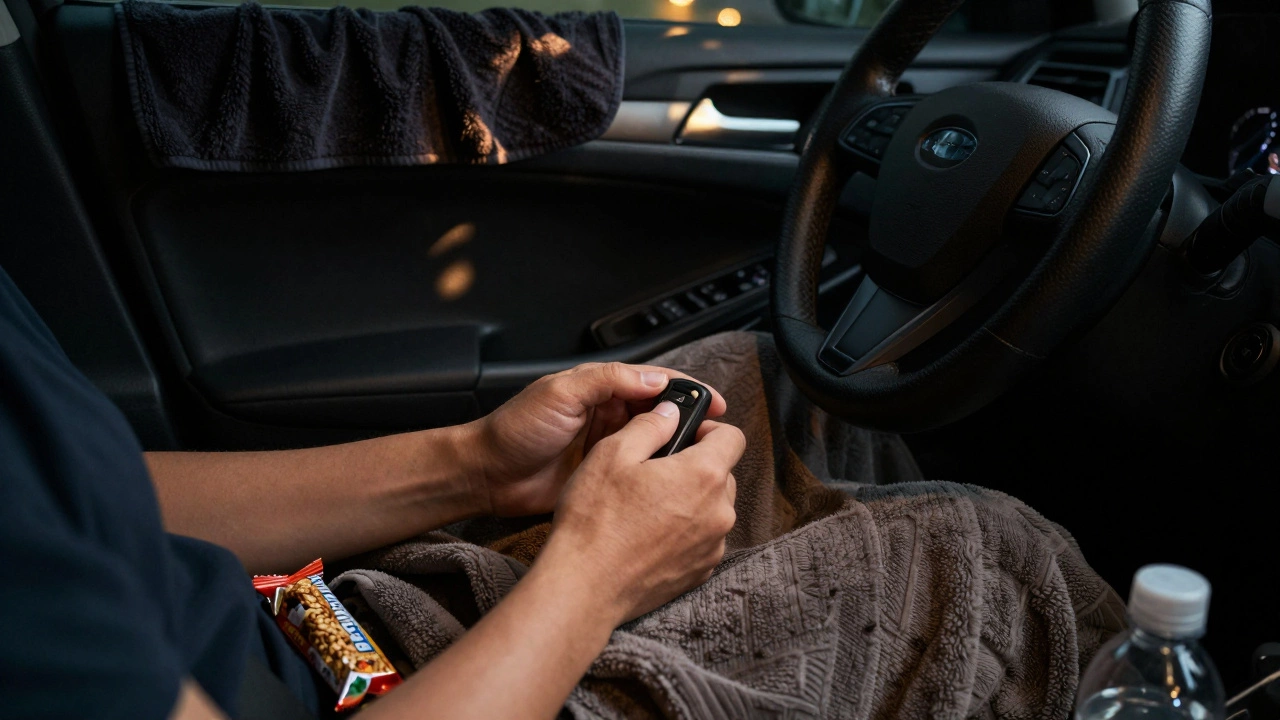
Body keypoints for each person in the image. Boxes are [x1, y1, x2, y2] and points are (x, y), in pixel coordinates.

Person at [2, 262, 746, 720]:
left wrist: (478, 463)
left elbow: (78, 497)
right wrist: (598, 575)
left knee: (748, 368)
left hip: (301, 636)